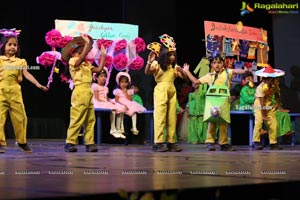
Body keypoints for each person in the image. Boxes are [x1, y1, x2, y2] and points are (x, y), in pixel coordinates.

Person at [183, 54, 249, 151]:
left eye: (219, 62)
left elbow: (236, 70)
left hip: (224, 101)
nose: (217, 65)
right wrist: (187, 71)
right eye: (214, 63)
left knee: (223, 123)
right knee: (212, 121)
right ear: (212, 65)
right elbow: (196, 82)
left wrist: (245, 70)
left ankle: (224, 143)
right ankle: (210, 142)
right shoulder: (210, 76)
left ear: (223, 64)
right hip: (212, 102)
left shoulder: (227, 72)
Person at [0, 28, 48, 153]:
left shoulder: (20, 61)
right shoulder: (0, 60)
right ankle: (0, 143)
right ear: (3, 46)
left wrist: (38, 84)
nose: (12, 47)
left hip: (15, 91)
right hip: (1, 91)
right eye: (9, 44)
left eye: (14, 45)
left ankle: (22, 142)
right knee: (0, 118)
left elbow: (26, 74)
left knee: (21, 117)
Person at [62, 33, 106, 152]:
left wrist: (104, 56)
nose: (85, 52)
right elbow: (80, 59)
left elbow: (99, 69)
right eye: (82, 50)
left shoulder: (87, 64)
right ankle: (70, 141)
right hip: (80, 91)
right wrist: (87, 44)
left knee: (90, 119)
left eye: (84, 50)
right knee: (77, 117)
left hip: (88, 91)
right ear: (75, 52)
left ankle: (89, 142)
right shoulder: (73, 60)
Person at [145, 34, 187, 152]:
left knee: (172, 117)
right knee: (160, 116)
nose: (173, 57)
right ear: (164, 55)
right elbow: (147, 72)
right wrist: (149, 62)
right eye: (170, 54)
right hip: (161, 90)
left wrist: (182, 71)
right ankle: (158, 142)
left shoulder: (174, 66)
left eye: (174, 54)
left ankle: (171, 142)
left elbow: (183, 77)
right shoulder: (157, 64)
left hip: (171, 90)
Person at [252, 65, 285, 150]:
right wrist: (263, 116)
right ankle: (256, 142)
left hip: (269, 105)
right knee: (259, 122)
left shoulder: (274, 85)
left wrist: (280, 107)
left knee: (273, 123)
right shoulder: (260, 88)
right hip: (259, 106)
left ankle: (273, 143)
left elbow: (277, 95)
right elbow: (262, 103)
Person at [91, 67, 126, 139]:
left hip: (104, 102)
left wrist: (110, 101)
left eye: (104, 76)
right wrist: (107, 102)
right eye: (101, 76)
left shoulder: (106, 88)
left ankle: (119, 129)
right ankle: (112, 129)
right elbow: (97, 99)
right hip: (98, 103)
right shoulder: (95, 86)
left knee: (119, 108)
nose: (103, 78)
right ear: (97, 78)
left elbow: (106, 98)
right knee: (113, 109)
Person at [113, 72, 146, 136]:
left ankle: (134, 127)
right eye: (122, 82)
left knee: (134, 111)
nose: (124, 84)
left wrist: (126, 93)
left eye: (125, 82)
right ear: (119, 83)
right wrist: (123, 105)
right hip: (120, 103)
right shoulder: (117, 90)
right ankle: (120, 128)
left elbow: (130, 99)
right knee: (120, 111)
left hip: (128, 104)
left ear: (128, 83)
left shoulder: (129, 91)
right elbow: (117, 100)